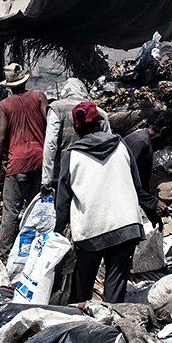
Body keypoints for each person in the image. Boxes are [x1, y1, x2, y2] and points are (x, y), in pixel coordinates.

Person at [55, 102, 162, 304]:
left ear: (76, 127)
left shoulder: (71, 155)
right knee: (115, 289)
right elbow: (136, 186)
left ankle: (83, 326)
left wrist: (57, 232)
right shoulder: (121, 145)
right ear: (101, 122)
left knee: (82, 288)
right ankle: (110, 329)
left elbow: (62, 202)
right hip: (126, 225)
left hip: (90, 231)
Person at [0, 63, 48, 258]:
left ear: (8, 85)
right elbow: (49, 125)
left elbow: (0, 137)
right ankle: (38, 253)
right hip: (40, 161)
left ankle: (4, 254)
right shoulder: (39, 97)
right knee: (38, 210)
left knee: (10, 213)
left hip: (17, 165)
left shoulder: (5, 106)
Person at [41, 78, 110, 189]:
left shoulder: (56, 108)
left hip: (62, 174)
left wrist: (46, 179)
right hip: (91, 174)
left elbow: (51, 143)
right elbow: (108, 143)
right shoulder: (99, 112)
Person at [123, 110, 172, 216]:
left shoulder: (146, 141)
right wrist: (152, 203)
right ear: (164, 131)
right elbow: (127, 180)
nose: (169, 144)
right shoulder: (140, 143)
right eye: (171, 139)